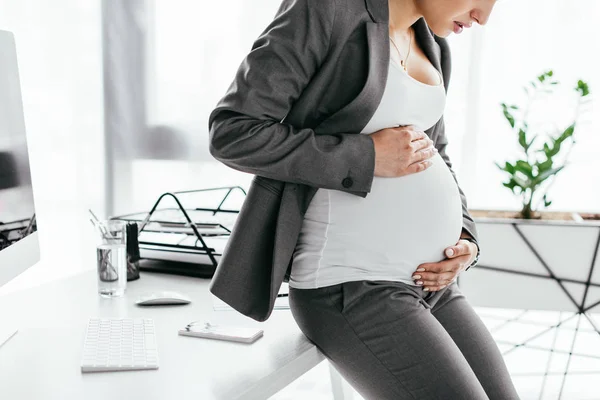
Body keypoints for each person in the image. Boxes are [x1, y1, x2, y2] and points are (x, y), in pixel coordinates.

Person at [208, 0, 521, 398]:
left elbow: (435, 153)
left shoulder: (434, 42)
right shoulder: (325, 10)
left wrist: (466, 238)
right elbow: (233, 132)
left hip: (433, 285)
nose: (483, 17)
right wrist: (367, 156)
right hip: (353, 285)